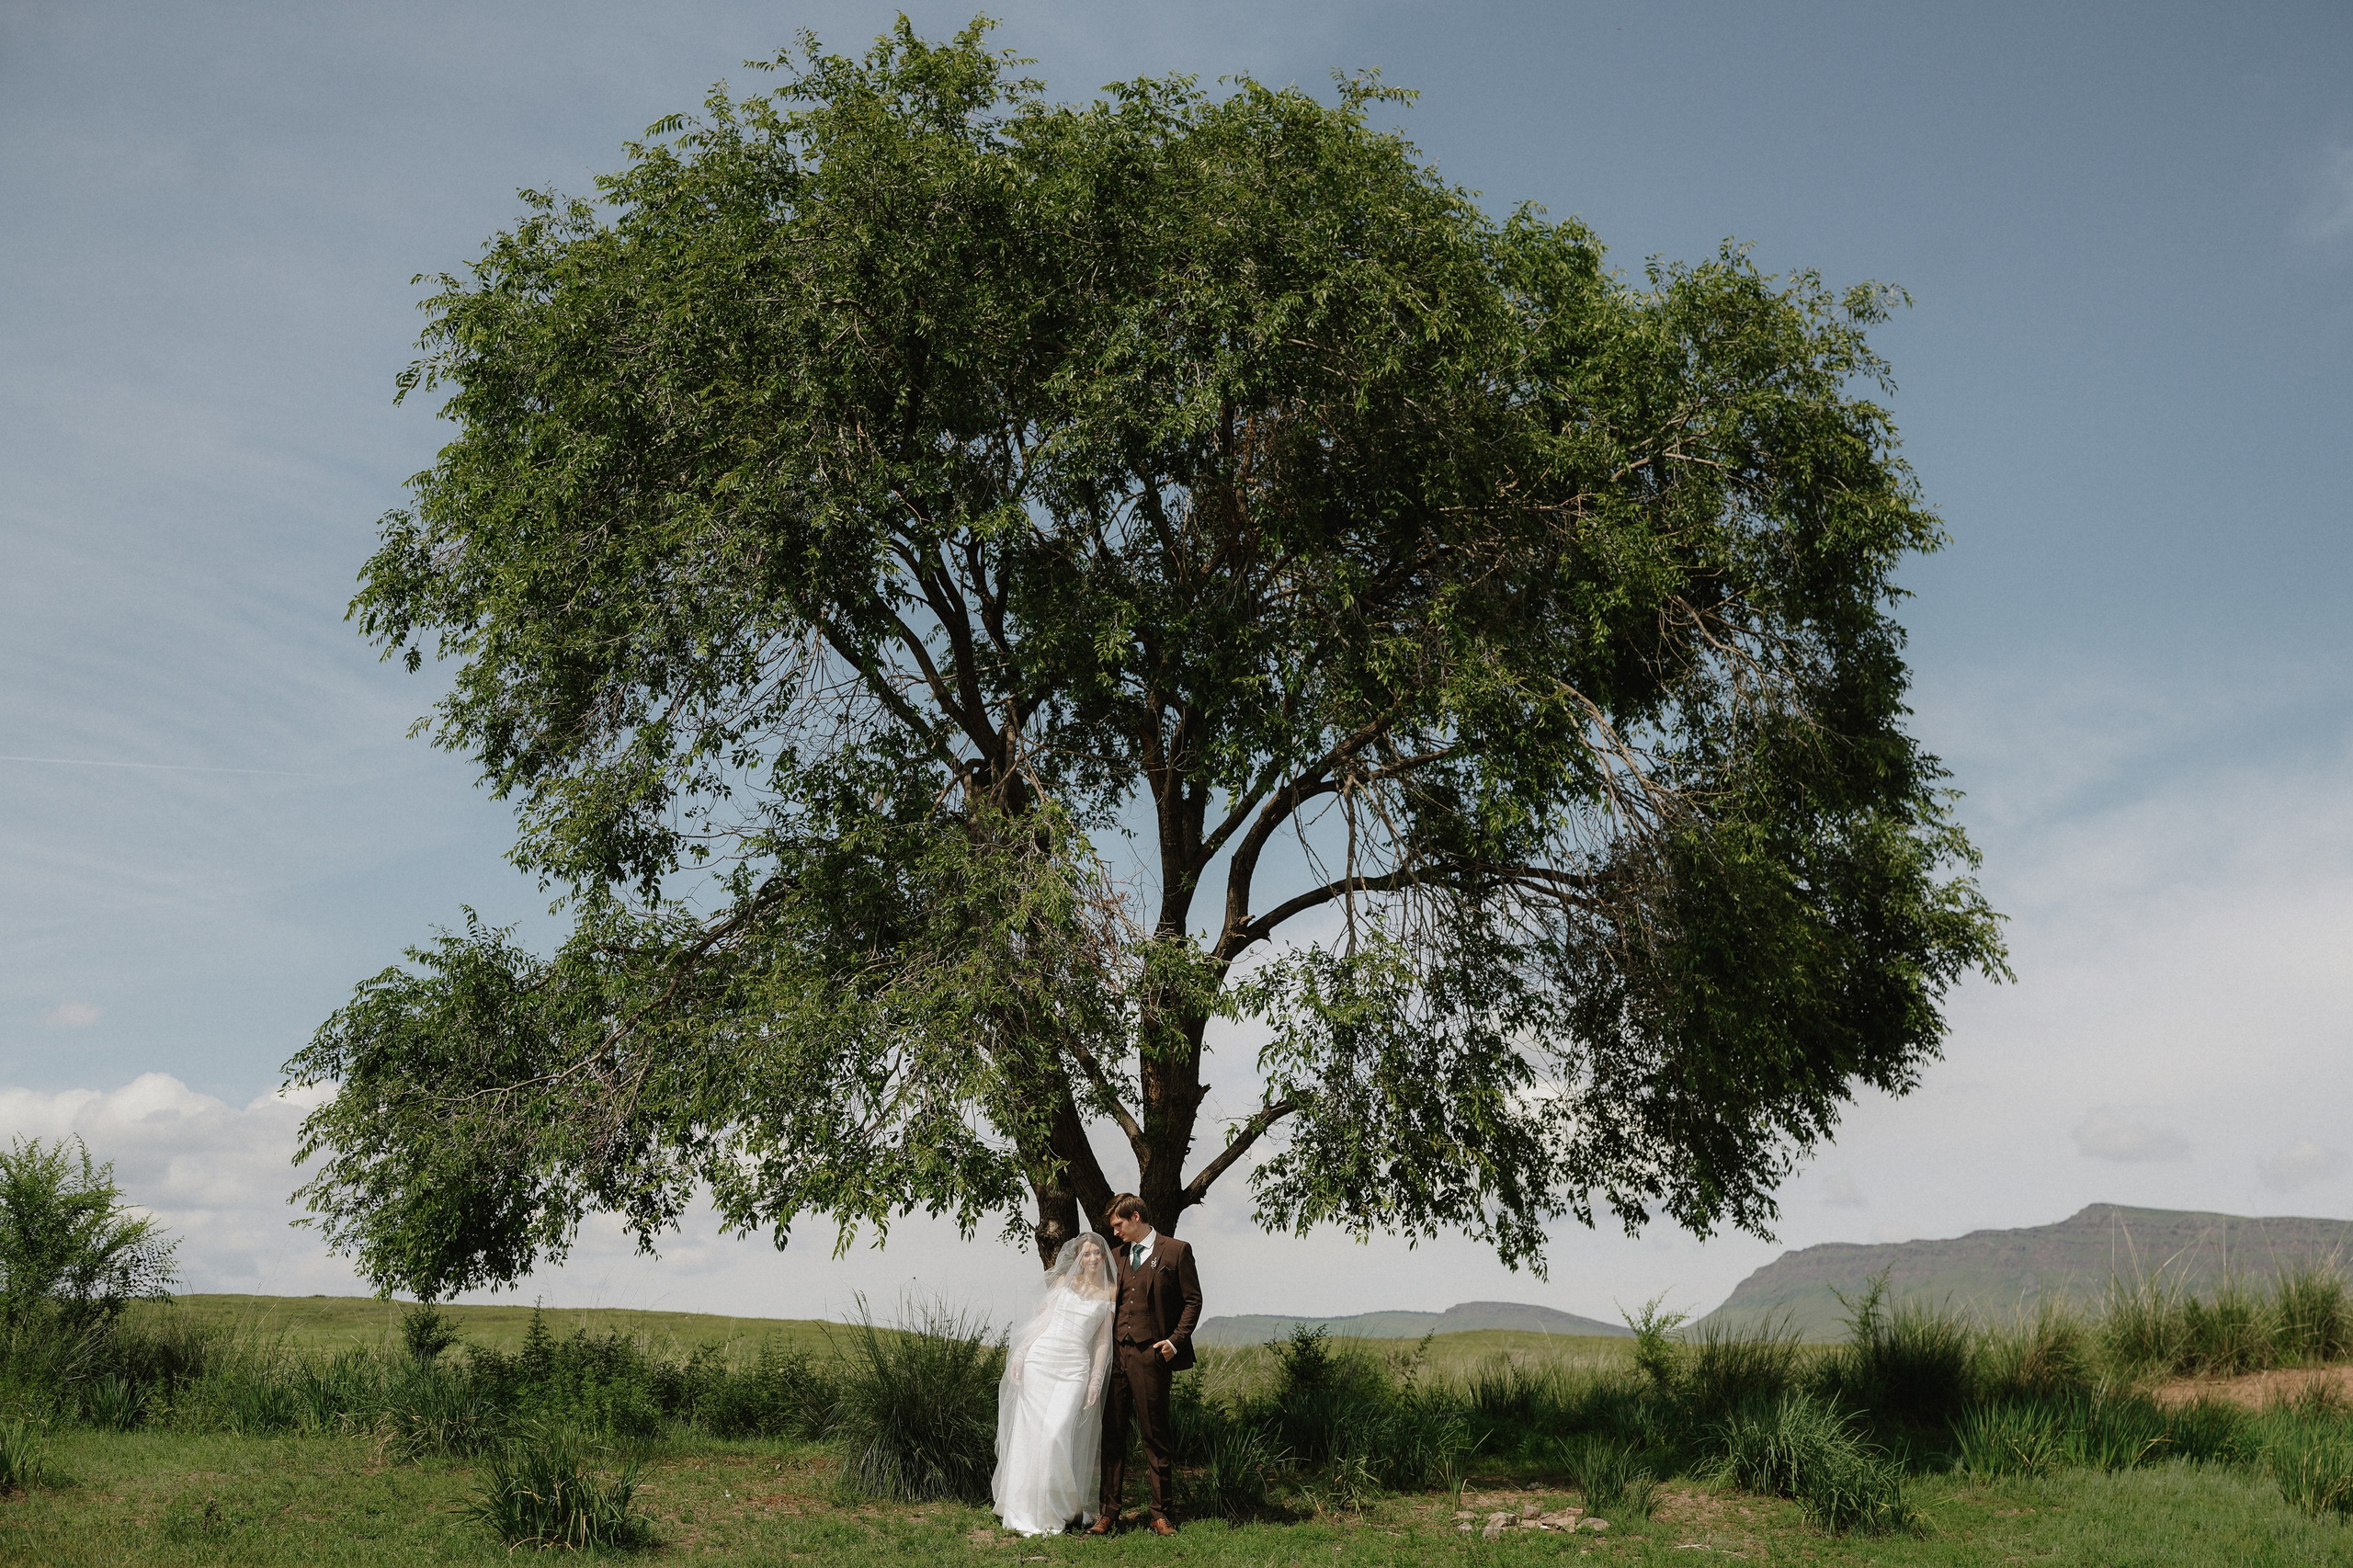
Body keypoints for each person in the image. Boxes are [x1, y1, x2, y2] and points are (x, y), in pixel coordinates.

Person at [1089, 1194, 1202, 1537]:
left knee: (1155, 1436)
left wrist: (1174, 1341)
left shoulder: (1176, 1250)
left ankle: (1160, 1514)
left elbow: (1192, 1301)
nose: (1116, 1232)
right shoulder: (1115, 1255)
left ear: (1135, 1217)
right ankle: (1108, 1512)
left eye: (1119, 1225)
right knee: (1113, 1437)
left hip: (1151, 1355)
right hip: (1116, 1356)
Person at [992, 1232, 1119, 1536]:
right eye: (1085, 1254)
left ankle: (1060, 1507)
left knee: (1055, 1434)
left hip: (1075, 1368)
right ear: (1078, 1258)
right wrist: (1021, 1354)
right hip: (1041, 1359)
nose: (1091, 1259)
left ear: (1103, 1257)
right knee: (1031, 1433)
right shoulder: (1064, 1283)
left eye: (1096, 1253)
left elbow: (1103, 1342)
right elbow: (1042, 1322)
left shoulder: (1110, 1292)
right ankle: (1025, 1507)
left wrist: (1095, 1380)